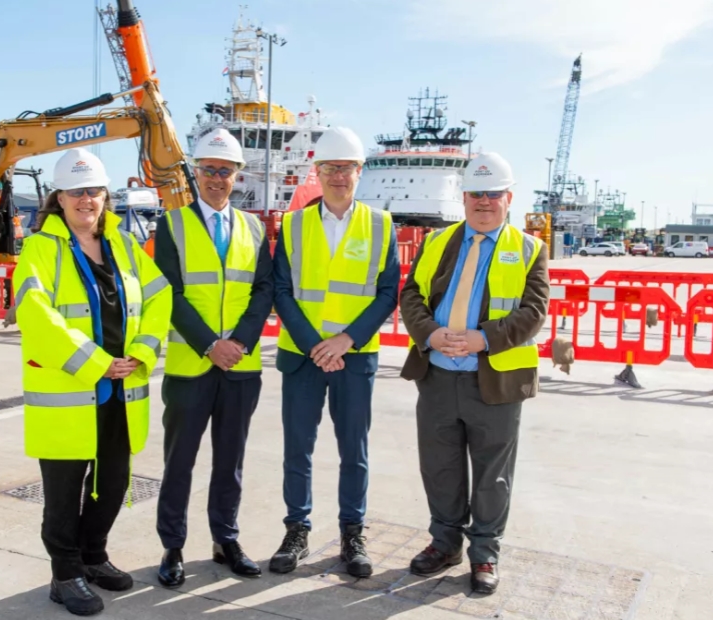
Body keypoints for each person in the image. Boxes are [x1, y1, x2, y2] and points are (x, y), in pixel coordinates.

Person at [12, 148, 172, 616]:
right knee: (62, 493)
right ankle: (65, 575)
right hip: (69, 394)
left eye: (94, 191)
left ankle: (93, 556)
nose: (87, 200)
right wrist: (96, 362)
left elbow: (159, 297)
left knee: (113, 482)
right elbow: (36, 316)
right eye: (76, 192)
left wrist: (141, 352)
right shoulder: (41, 249)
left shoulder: (123, 246)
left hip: (120, 391)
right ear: (58, 199)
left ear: (107, 196)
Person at [398, 152, 549, 594]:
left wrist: (485, 338)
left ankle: (484, 554)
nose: (484, 202)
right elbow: (412, 295)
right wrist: (430, 333)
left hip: (495, 381)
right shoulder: (437, 242)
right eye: (476, 194)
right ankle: (444, 543)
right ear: (463, 197)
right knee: (440, 468)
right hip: (439, 374)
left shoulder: (528, 248)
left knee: (492, 475)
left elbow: (534, 310)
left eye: (493, 195)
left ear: (509, 199)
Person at [268, 126, 400, 578]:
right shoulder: (293, 224)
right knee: (297, 450)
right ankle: (297, 530)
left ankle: (352, 532)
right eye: (330, 168)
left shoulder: (381, 226)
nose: (339, 176)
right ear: (316, 171)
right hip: (303, 356)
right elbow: (281, 290)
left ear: (359, 171)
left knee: (354, 450)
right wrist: (315, 345)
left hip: (355, 357)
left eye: (347, 168)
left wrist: (346, 340)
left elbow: (387, 293)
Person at [153, 127, 274, 587]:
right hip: (190, 367)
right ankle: (173, 547)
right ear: (195, 173)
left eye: (225, 171)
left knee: (231, 461)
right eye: (208, 170)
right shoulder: (172, 224)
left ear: (237, 175)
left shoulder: (255, 228)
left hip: (240, 368)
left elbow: (263, 291)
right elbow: (171, 294)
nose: (217, 179)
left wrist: (238, 342)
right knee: (178, 462)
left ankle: (226, 539)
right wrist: (210, 344)